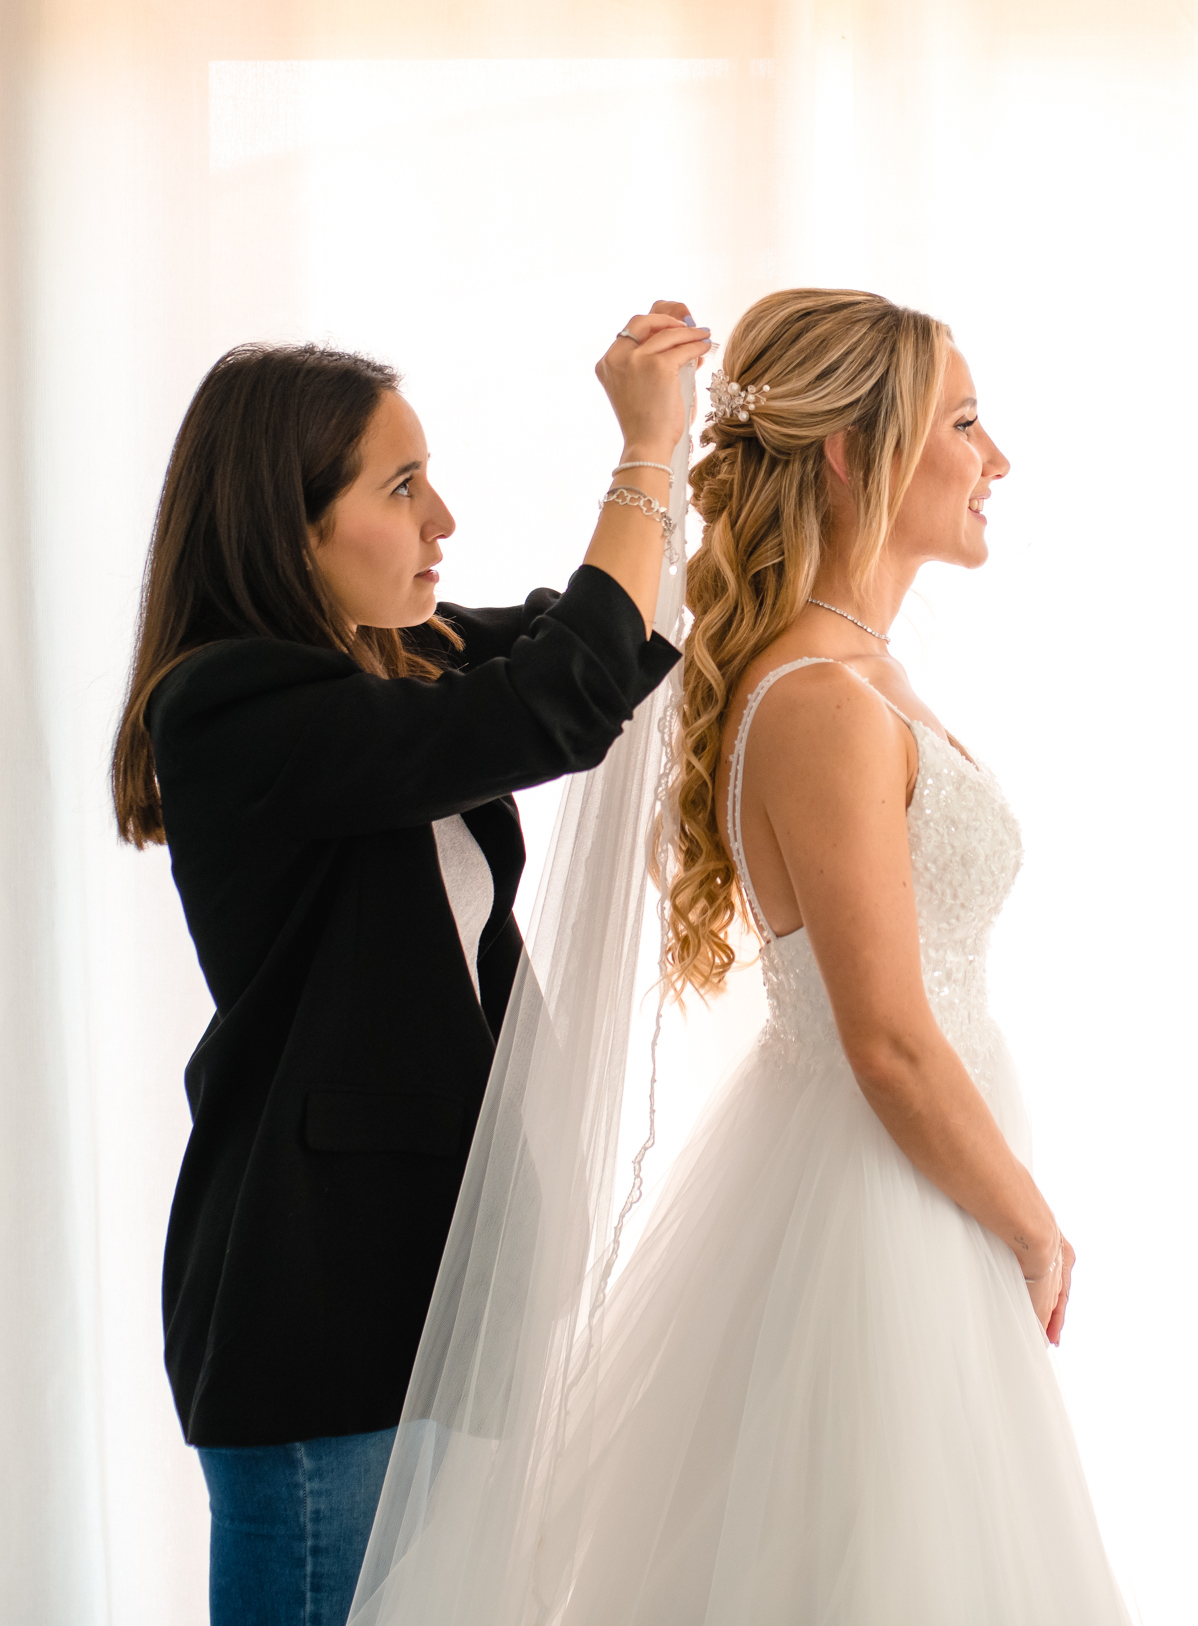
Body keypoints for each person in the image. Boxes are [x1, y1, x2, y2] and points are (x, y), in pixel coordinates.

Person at [352, 288, 1132, 1624]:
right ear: (851, 451)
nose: (994, 458)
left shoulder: (856, 674)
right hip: (889, 1209)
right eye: (964, 421)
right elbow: (885, 1038)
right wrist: (1035, 1224)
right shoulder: (821, 698)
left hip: (913, 1198)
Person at [109, 302, 710, 1626]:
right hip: (320, 1316)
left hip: (437, 1304)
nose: (444, 519)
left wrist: (723, 488)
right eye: (401, 485)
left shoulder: (391, 665)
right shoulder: (231, 707)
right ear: (291, 523)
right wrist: (642, 454)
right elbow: (559, 699)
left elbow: (599, 651)